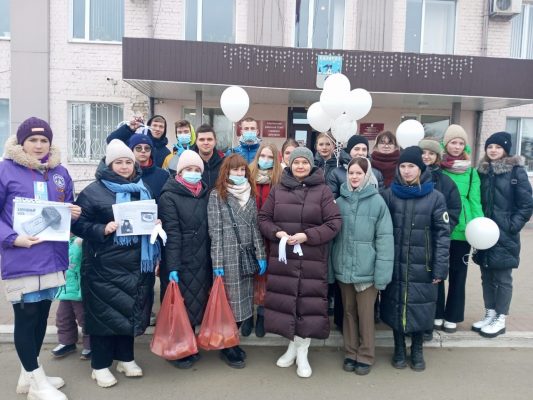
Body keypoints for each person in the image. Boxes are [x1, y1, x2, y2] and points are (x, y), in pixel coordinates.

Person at [0, 117, 80, 400]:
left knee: (42, 316)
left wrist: (72, 212)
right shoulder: (5, 170)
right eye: (32, 140)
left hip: (52, 256)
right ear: (21, 142)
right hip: (21, 257)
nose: (38, 145)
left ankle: (28, 376)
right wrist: (13, 238)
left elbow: (65, 207)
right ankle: (37, 383)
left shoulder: (59, 171)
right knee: (27, 318)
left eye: (44, 140)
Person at [73, 139, 160, 388]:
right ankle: (99, 366)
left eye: (128, 162)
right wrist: (102, 228)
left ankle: (126, 358)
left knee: (129, 312)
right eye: (118, 162)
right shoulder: (93, 191)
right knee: (104, 316)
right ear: (109, 164)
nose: (124, 167)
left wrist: (155, 224)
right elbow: (77, 224)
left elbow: (149, 217)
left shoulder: (141, 188)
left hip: (136, 265)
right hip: (104, 266)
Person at [258, 147, 342, 378]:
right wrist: (277, 233)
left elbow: (334, 222)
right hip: (284, 259)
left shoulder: (323, 191)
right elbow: (263, 218)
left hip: (311, 259)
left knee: (307, 306)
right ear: (290, 164)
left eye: (305, 162)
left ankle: (302, 352)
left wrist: (308, 236)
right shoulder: (278, 189)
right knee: (287, 304)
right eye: (296, 162)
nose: (300, 166)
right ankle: (292, 347)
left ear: (311, 165)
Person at [381, 146, 450, 372]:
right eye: (403, 166)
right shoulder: (389, 194)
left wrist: (440, 268)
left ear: (420, 168)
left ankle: (418, 349)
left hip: (424, 264)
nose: (407, 170)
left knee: (421, 307)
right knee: (396, 304)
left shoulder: (435, 197)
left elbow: (443, 235)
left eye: (411, 166)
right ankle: (399, 348)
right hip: (395, 263)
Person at [330, 157, 394, 376]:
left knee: (366, 315)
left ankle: (366, 355)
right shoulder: (339, 202)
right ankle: (350, 352)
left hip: (368, 270)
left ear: (367, 175)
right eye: (351, 173)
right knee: (348, 313)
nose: (354, 177)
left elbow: (384, 240)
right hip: (344, 268)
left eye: (359, 173)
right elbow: (333, 239)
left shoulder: (378, 203)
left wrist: (381, 274)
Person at [207, 154, 267, 368]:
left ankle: (232, 342)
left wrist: (261, 255)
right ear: (227, 171)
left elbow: (255, 228)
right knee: (230, 306)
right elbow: (215, 232)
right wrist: (217, 264)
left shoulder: (250, 194)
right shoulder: (217, 195)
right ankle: (227, 347)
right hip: (228, 257)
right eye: (235, 170)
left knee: (244, 304)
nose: (239, 173)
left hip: (247, 257)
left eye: (242, 170)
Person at [472, 132, 533, 338]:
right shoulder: (481, 171)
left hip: (505, 234)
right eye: (490, 147)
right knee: (486, 275)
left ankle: (500, 318)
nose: (493, 150)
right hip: (483, 233)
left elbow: (526, 205)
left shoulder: (516, 172)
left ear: (506, 150)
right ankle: (489, 312)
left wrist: (511, 226)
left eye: (498, 147)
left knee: (502, 277)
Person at [159, 150, 212, 368]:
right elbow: (172, 233)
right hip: (180, 259)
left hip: (202, 258)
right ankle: (176, 351)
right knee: (179, 306)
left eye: (197, 169)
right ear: (179, 172)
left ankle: (188, 345)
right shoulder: (168, 196)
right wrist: (172, 266)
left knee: (194, 304)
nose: (193, 173)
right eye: (188, 169)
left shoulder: (205, 193)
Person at [438, 124, 483, 333]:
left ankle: (452, 316)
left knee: (458, 275)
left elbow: (475, 203)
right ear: (445, 144)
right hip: (441, 229)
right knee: (438, 274)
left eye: (460, 143)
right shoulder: (438, 169)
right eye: (453, 142)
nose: (456, 146)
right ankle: (437, 313)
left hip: (462, 232)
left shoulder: (472, 173)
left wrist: (479, 228)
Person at [418, 137, 462, 340]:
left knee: (436, 277)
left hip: (436, 238)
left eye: (431, 153)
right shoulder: (411, 176)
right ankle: (423, 320)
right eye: (423, 152)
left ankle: (436, 316)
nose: (426, 156)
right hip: (416, 238)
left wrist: (444, 230)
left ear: (437, 157)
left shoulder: (446, 182)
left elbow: (454, 209)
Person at [243, 143, 283, 338]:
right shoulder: (246, 176)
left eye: (270, 157)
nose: (265, 160)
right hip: (248, 235)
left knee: (266, 277)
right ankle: (247, 315)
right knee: (248, 275)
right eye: (262, 156)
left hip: (269, 236)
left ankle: (262, 314)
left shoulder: (280, 180)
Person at [52, 236, 91, 360]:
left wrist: (81, 242)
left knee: (84, 319)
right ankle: (67, 342)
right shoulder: (62, 241)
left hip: (80, 291)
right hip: (66, 289)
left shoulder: (81, 240)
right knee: (63, 318)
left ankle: (91, 345)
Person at [128, 134, 169, 200]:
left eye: (147, 148)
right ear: (132, 150)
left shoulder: (164, 175)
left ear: (151, 151)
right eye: (138, 148)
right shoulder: (125, 173)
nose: (143, 151)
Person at [190, 124, 225, 190]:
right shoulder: (189, 163)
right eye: (202, 139)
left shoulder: (224, 163)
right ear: (196, 142)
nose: (206, 143)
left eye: (209, 139)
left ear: (215, 141)